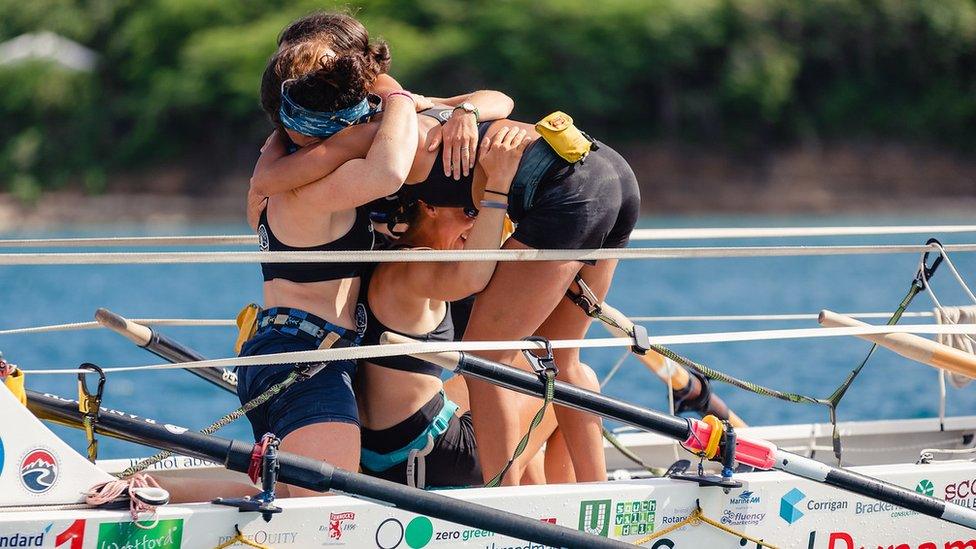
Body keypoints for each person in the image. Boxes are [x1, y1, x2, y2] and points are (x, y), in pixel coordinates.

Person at [355, 126, 526, 488]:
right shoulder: (416, 268)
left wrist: (466, 113)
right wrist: (497, 187)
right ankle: (545, 511)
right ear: (428, 205)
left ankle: (537, 502)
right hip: (431, 454)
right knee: (550, 387)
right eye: (468, 210)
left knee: (515, 381)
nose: (476, 223)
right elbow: (472, 277)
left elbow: (502, 102)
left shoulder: (385, 251)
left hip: (378, 452)